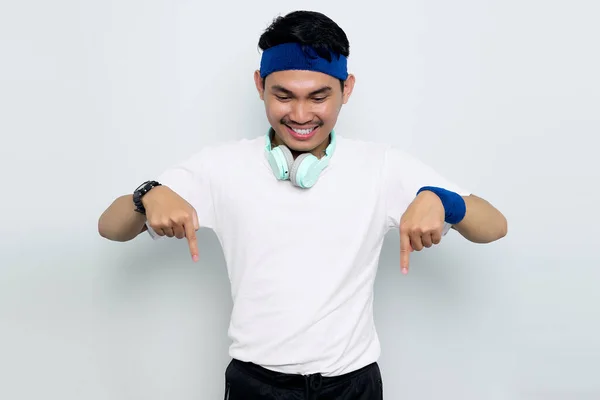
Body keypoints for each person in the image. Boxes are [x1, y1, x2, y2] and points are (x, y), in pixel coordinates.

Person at [98, 10, 507, 400]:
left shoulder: (381, 166)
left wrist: (441, 200)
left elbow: (494, 225)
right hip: (256, 383)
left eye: (318, 97)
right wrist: (147, 194)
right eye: (283, 95)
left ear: (346, 90)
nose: (300, 114)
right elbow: (110, 227)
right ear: (259, 85)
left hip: (353, 384)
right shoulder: (221, 167)